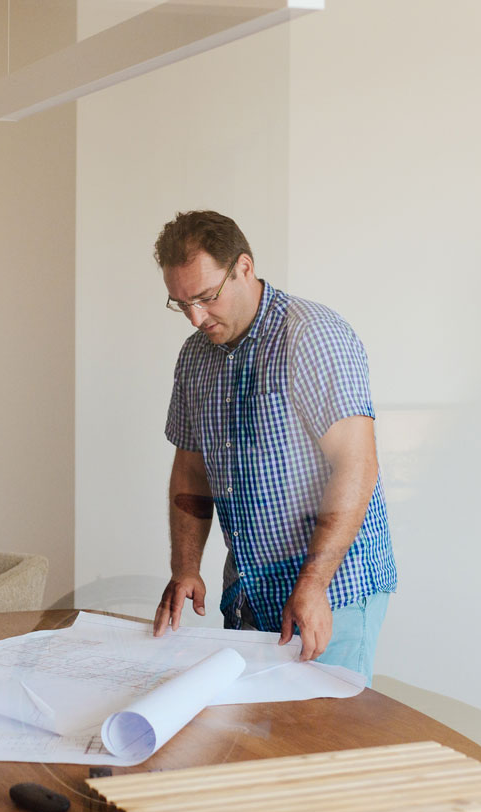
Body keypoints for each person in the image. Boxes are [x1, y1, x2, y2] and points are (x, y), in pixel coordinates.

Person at [150, 210, 397, 684]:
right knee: (254, 744)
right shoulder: (195, 356)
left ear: (244, 267)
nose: (196, 317)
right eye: (181, 303)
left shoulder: (310, 335)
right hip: (249, 589)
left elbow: (357, 466)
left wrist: (313, 583)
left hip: (332, 588)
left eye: (206, 297)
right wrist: (186, 568)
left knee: (326, 747)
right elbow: (191, 470)